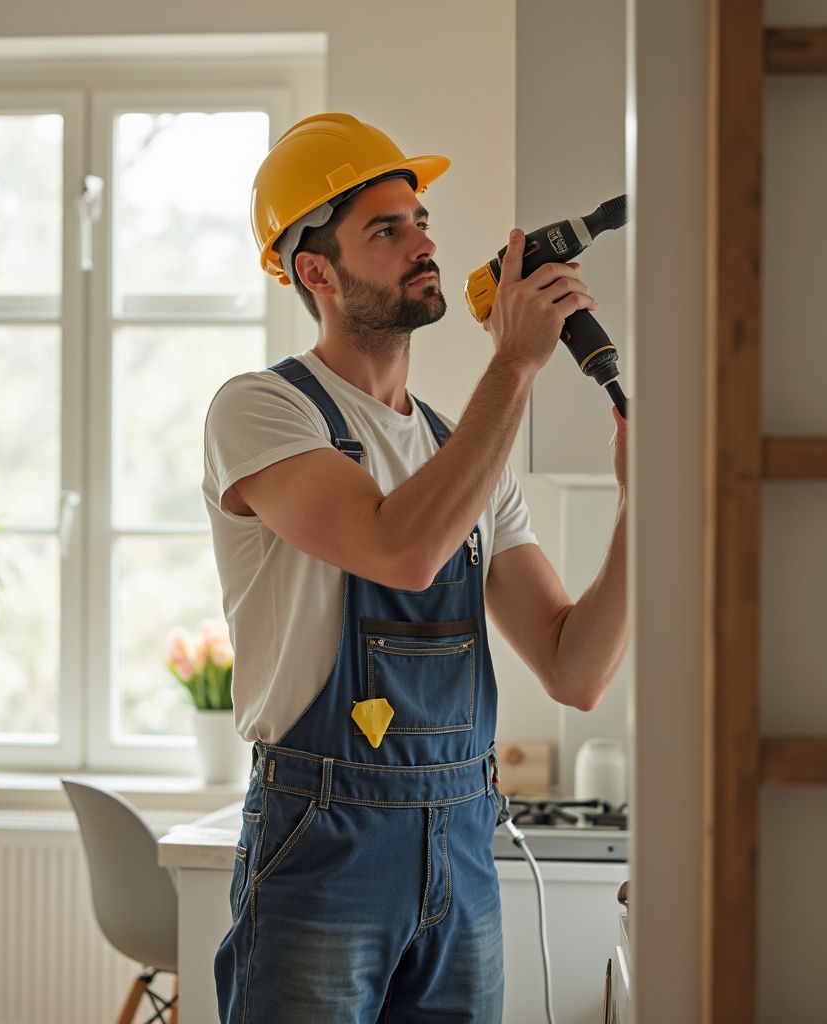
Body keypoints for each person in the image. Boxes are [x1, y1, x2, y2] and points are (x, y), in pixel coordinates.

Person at [203, 112, 628, 1024]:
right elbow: (401, 549)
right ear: (314, 272)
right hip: (324, 838)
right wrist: (515, 364)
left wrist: (643, 508)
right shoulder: (263, 413)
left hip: (464, 842)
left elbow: (576, 668)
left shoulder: (463, 451)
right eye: (385, 230)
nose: (423, 245)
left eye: (422, 220)